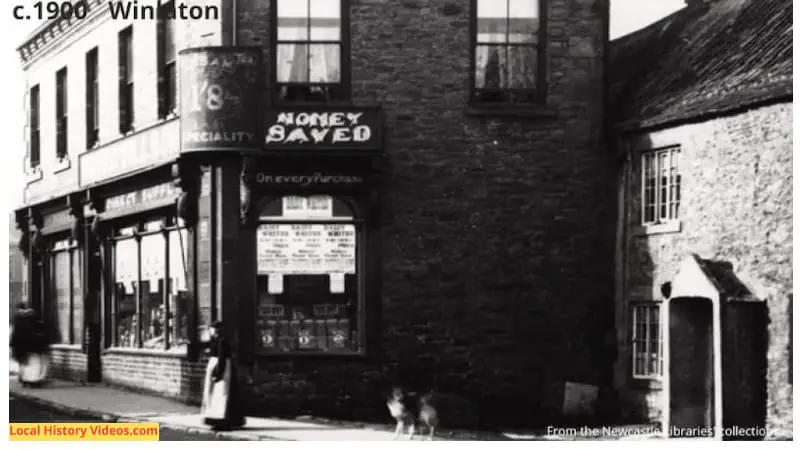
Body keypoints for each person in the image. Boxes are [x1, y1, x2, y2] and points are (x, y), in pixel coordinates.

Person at [201, 321, 246, 430]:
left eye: (211, 329)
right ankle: (215, 418)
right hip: (216, 367)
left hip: (222, 369)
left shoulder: (222, 341)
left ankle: (221, 420)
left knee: (220, 394)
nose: (210, 331)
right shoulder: (216, 340)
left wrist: (218, 373)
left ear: (216, 330)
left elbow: (222, 358)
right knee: (214, 394)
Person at [11, 303, 51, 387]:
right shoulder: (31, 322)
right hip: (32, 347)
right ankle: (33, 380)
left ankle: (26, 379)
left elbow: (15, 336)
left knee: (26, 363)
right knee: (34, 363)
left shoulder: (18, 320)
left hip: (24, 347)